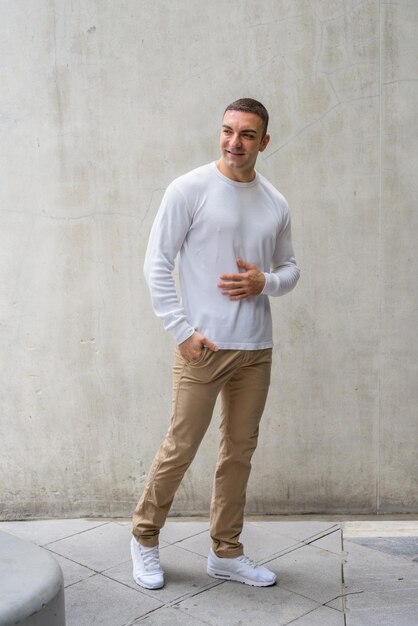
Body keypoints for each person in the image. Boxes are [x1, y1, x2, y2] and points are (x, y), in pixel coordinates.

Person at [131, 98, 300, 589]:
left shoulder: (275, 202)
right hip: (202, 347)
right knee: (181, 447)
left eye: (247, 134)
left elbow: (291, 270)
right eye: (228, 130)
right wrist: (181, 331)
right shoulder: (190, 189)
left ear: (263, 142)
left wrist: (263, 282)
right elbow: (156, 264)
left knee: (238, 453)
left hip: (255, 350)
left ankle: (226, 552)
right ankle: (144, 539)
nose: (234, 142)